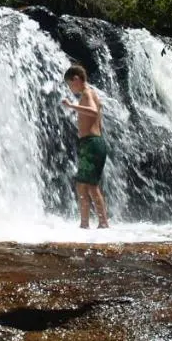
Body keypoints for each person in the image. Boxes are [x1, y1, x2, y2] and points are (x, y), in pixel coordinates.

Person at [62, 64, 109, 229]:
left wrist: (71, 106)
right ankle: (86, 224)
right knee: (83, 185)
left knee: (89, 186)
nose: (70, 88)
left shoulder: (87, 94)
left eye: (70, 84)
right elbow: (99, 120)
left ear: (76, 79)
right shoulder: (92, 94)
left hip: (91, 143)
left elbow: (93, 112)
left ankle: (101, 224)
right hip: (93, 143)